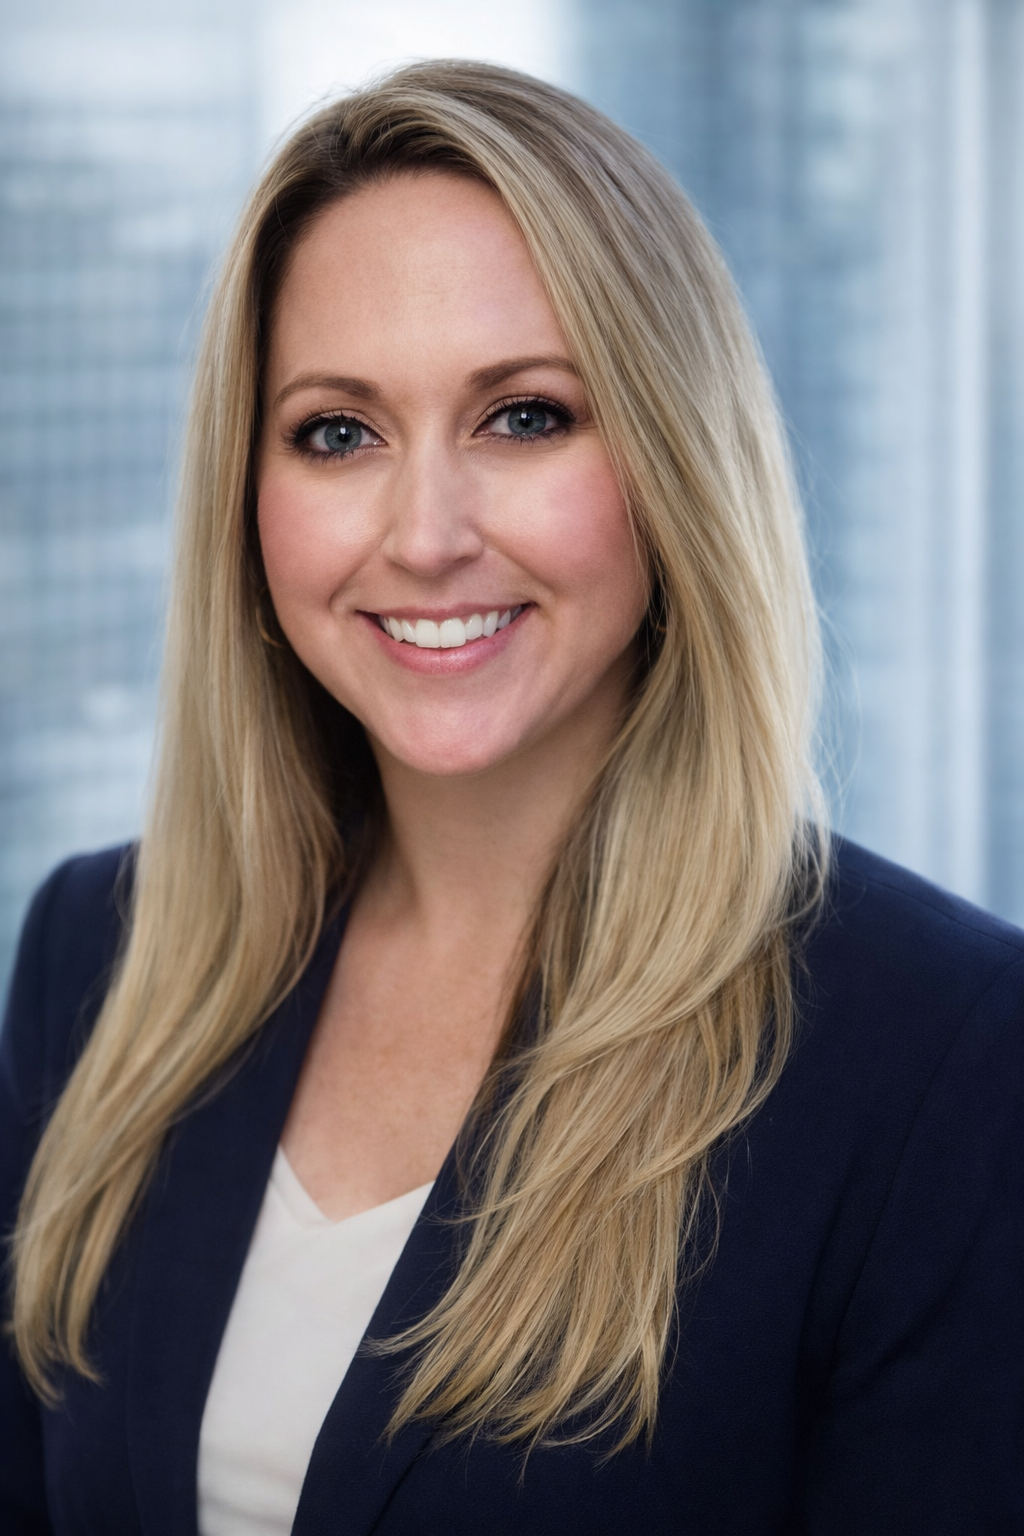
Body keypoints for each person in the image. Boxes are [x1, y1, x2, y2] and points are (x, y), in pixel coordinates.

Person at [1, 59, 1022, 1536]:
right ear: (249, 497)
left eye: (524, 417)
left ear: (672, 460)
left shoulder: (945, 1063)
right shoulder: (99, 957)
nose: (424, 534)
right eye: (337, 433)